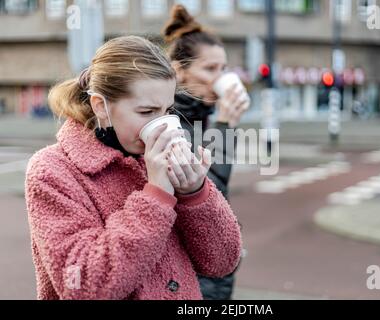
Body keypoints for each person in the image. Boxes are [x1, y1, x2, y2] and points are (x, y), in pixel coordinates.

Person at [24, 36, 242, 300]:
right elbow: (83, 285)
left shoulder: (159, 154)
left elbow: (222, 262)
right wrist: (156, 196)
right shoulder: (53, 171)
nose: (162, 124)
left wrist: (196, 193)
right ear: (100, 106)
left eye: (167, 110)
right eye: (147, 111)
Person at [163, 5, 249, 300]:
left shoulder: (200, 116)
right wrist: (225, 125)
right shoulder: (170, 120)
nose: (219, 77)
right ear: (179, 71)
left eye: (223, 69)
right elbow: (208, 191)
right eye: (210, 69)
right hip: (189, 278)